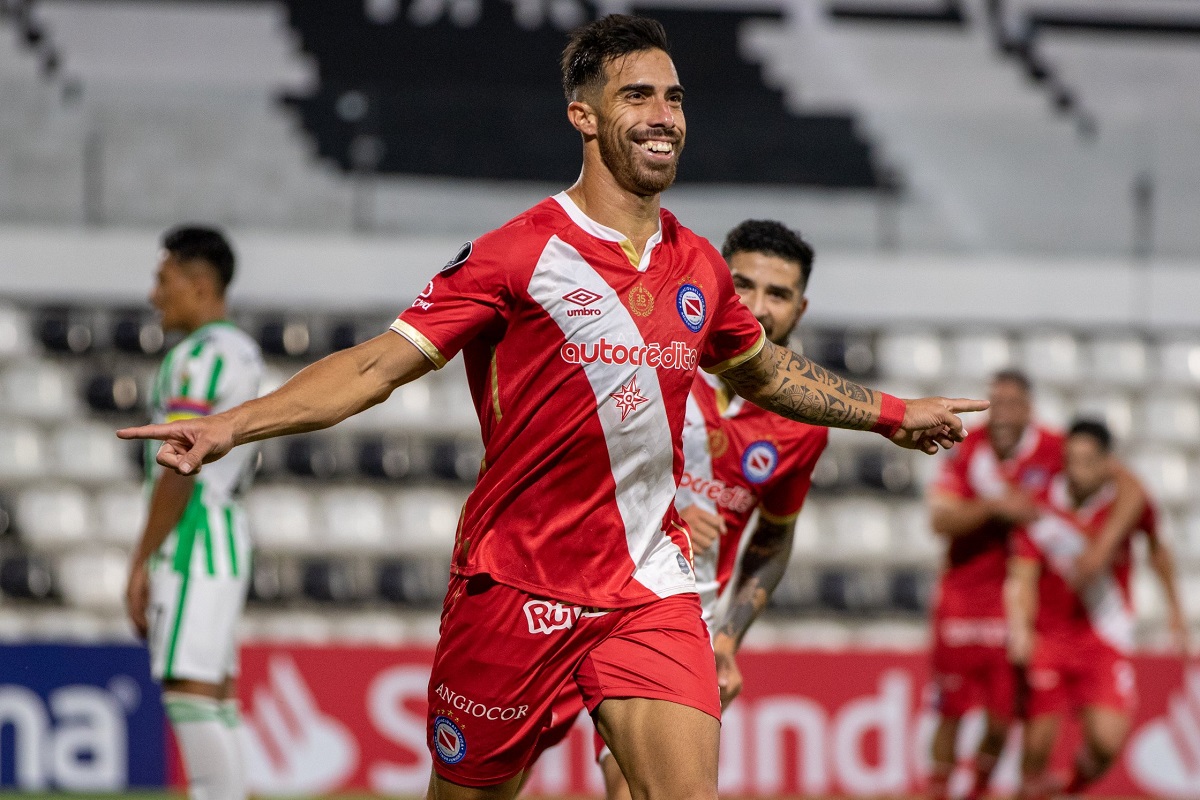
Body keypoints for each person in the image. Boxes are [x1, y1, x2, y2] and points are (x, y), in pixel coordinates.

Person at [119, 16, 985, 800]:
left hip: (650, 583)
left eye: (674, 98)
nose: (663, 114)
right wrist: (234, 423)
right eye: (637, 94)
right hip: (516, 583)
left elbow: (765, 372)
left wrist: (892, 413)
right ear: (584, 116)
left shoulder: (701, 267)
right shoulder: (517, 255)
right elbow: (378, 365)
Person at [528, 219, 828, 798]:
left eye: (779, 294)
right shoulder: (656, 358)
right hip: (562, 596)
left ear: (801, 307)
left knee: (642, 786)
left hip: (671, 619)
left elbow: (773, 538)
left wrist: (729, 639)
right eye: (742, 285)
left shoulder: (802, 425)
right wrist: (659, 511)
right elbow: (566, 466)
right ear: (716, 283)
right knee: (486, 780)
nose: (759, 307)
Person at [925, 371, 1144, 800]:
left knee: (1001, 718)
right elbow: (939, 519)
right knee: (951, 711)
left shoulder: (1055, 449)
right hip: (965, 595)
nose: (1002, 414)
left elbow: (1132, 488)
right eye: (995, 403)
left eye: (1012, 404)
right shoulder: (967, 448)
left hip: (1018, 601)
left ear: (1029, 408)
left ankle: (979, 791)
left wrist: (1102, 549)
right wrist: (995, 508)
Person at [124, 226, 263, 800]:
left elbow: (180, 463)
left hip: (196, 535)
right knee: (215, 693)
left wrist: (141, 559)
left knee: (189, 687)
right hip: (226, 530)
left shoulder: (200, 356)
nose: (155, 294)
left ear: (200, 285)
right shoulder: (242, 350)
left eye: (165, 280)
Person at [1006, 420, 1189, 800]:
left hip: (1104, 635)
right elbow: (1023, 574)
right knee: (1037, 747)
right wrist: (1022, 628)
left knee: (1107, 741)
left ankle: (1069, 789)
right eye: (1071, 460)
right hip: (1051, 637)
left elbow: (1158, 549)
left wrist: (1174, 606)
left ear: (1108, 464)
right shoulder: (1041, 508)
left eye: (1088, 461)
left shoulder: (1125, 503)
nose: (1078, 470)